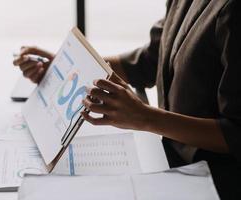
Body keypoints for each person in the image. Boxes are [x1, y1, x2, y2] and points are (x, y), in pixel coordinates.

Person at [13, 0, 241, 198]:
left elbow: (235, 132)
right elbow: (150, 60)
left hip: (215, 182)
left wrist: (145, 118)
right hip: (170, 157)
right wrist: (67, 68)